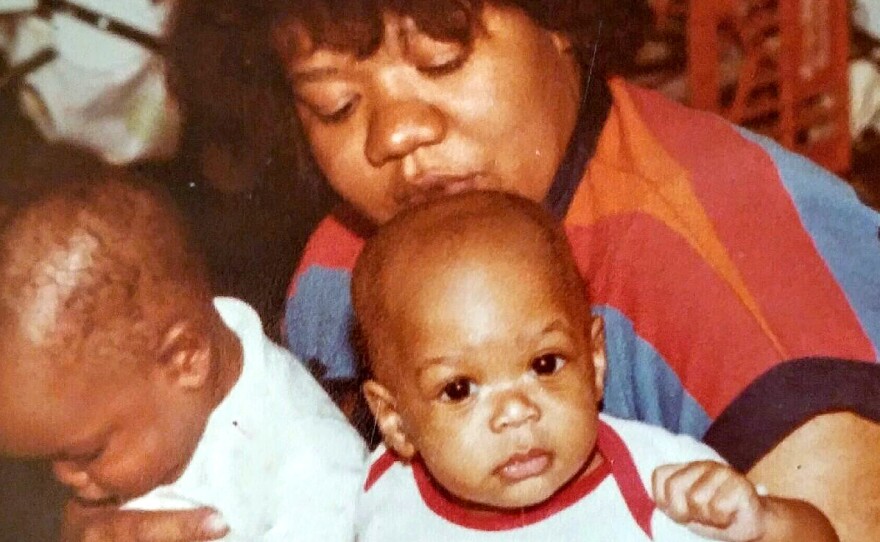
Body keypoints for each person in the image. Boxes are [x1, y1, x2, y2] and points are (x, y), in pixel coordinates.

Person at [70, 0, 880, 540]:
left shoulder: (742, 283)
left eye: (443, 61)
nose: (395, 133)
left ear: (559, 20)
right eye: (335, 106)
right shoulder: (349, 257)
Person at [351, 190, 837, 541]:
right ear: (395, 420)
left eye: (544, 364)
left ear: (595, 359)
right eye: (458, 389)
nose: (517, 411)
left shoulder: (665, 483)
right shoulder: (379, 499)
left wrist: (766, 525)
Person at [0, 170, 367, 540]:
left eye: (87, 454)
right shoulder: (138, 384)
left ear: (186, 359)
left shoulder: (318, 477)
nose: (63, 477)